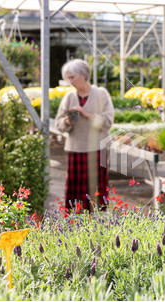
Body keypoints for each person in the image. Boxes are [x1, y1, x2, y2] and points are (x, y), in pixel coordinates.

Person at [55, 59, 114, 212]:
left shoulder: (101, 94)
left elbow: (108, 121)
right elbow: (59, 124)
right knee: (76, 189)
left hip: (97, 148)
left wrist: (88, 115)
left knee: (96, 187)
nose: (70, 81)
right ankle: (76, 220)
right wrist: (67, 121)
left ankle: (97, 220)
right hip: (76, 148)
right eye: (68, 78)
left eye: (72, 77)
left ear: (84, 74)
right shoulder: (69, 97)